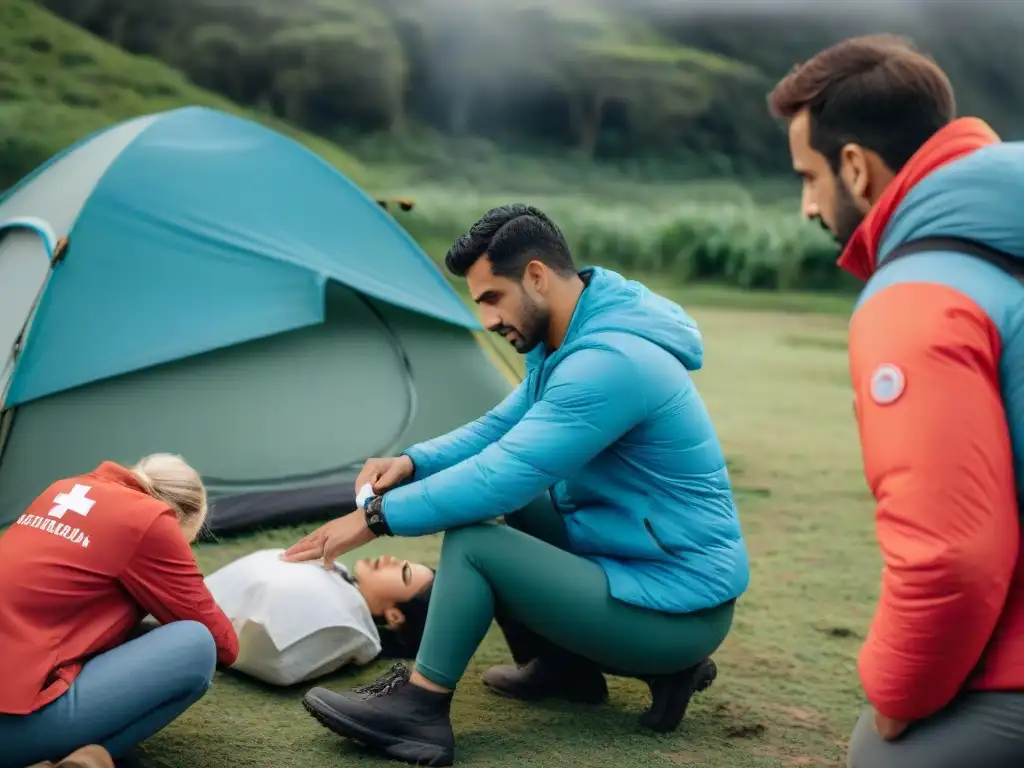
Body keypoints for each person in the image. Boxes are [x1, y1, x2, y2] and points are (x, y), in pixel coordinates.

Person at [282, 204, 749, 766]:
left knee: (477, 544)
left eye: (490, 298)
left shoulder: (610, 362)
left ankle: (421, 712)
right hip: (644, 572)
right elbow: (501, 427)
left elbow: (499, 477)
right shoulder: (571, 337)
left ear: (534, 276)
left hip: (679, 614)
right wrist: (412, 461)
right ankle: (566, 668)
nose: (487, 319)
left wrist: (373, 519)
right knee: (521, 501)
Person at [767, 34, 1024, 768]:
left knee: (881, 755)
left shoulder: (917, 298)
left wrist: (895, 693)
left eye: (808, 177)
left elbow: (952, 559)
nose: (808, 206)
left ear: (855, 165)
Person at [0, 454, 239, 768]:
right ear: (181, 521)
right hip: (9, 727)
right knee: (196, 644)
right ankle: (63, 760)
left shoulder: (63, 489)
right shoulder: (151, 520)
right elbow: (225, 647)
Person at [204, 550, 434, 686]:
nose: (390, 558)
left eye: (403, 572)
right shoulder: (333, 571)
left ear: (394, 616)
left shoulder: (345, 626)